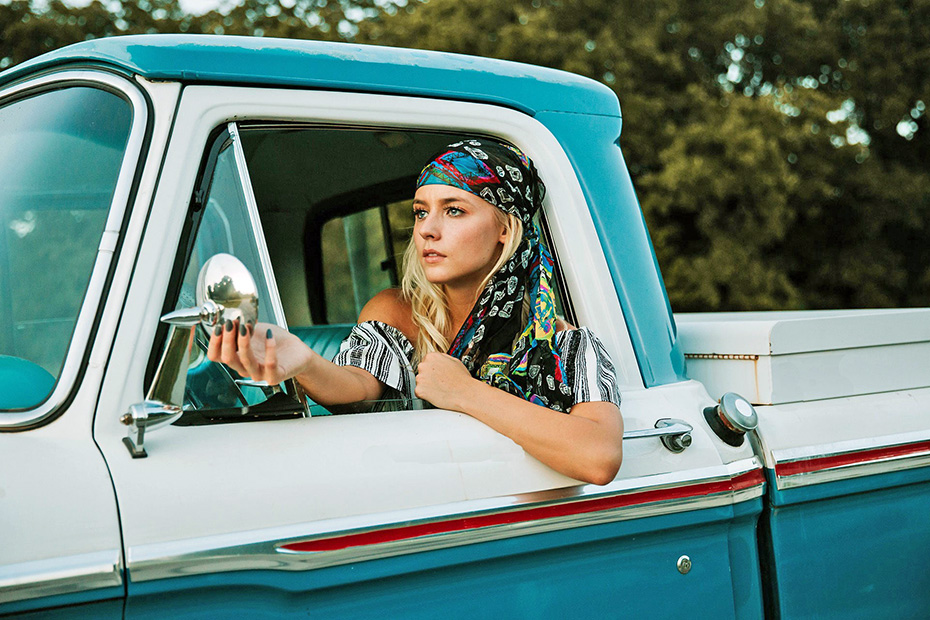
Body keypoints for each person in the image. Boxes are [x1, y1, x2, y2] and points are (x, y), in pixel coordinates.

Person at [208, 139, 623, 485]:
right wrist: (304, 361)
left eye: (454, 209)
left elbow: (598, 457)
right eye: (421, 211)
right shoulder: (395, 310)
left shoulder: (565, 344)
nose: (426, 229)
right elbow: (358, 386)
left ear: (504, 228)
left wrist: (465, 392)